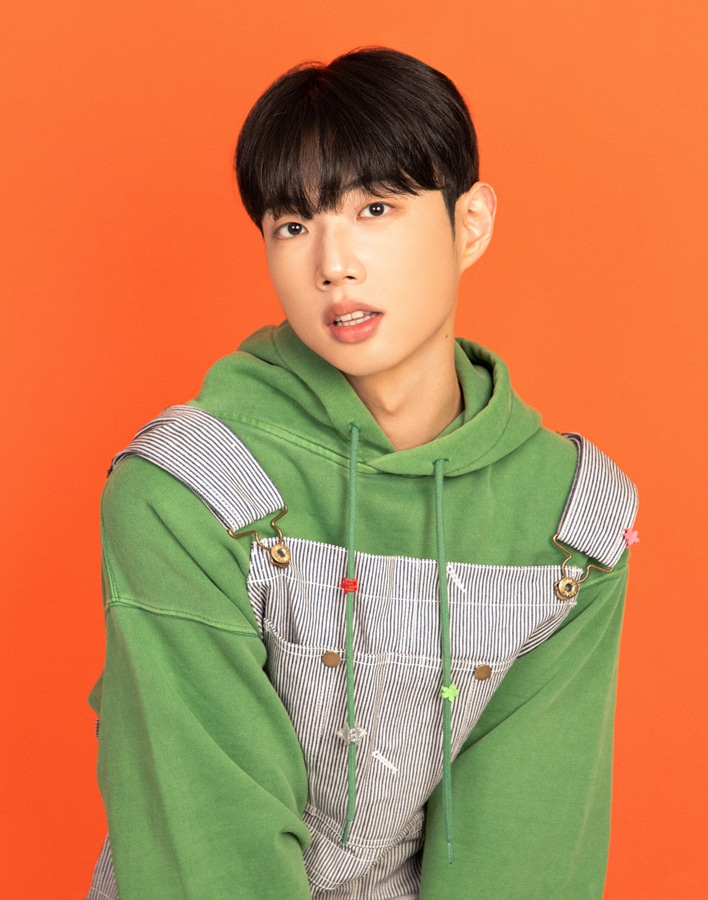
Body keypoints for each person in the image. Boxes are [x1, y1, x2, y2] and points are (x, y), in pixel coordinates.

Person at [86, 47, 638, 899]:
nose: (332, 264)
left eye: (375, 208)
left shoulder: (569, 523)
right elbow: (209, 852)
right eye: (292, 225)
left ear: (470, 223)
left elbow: (524, 853)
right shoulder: (185, 491)